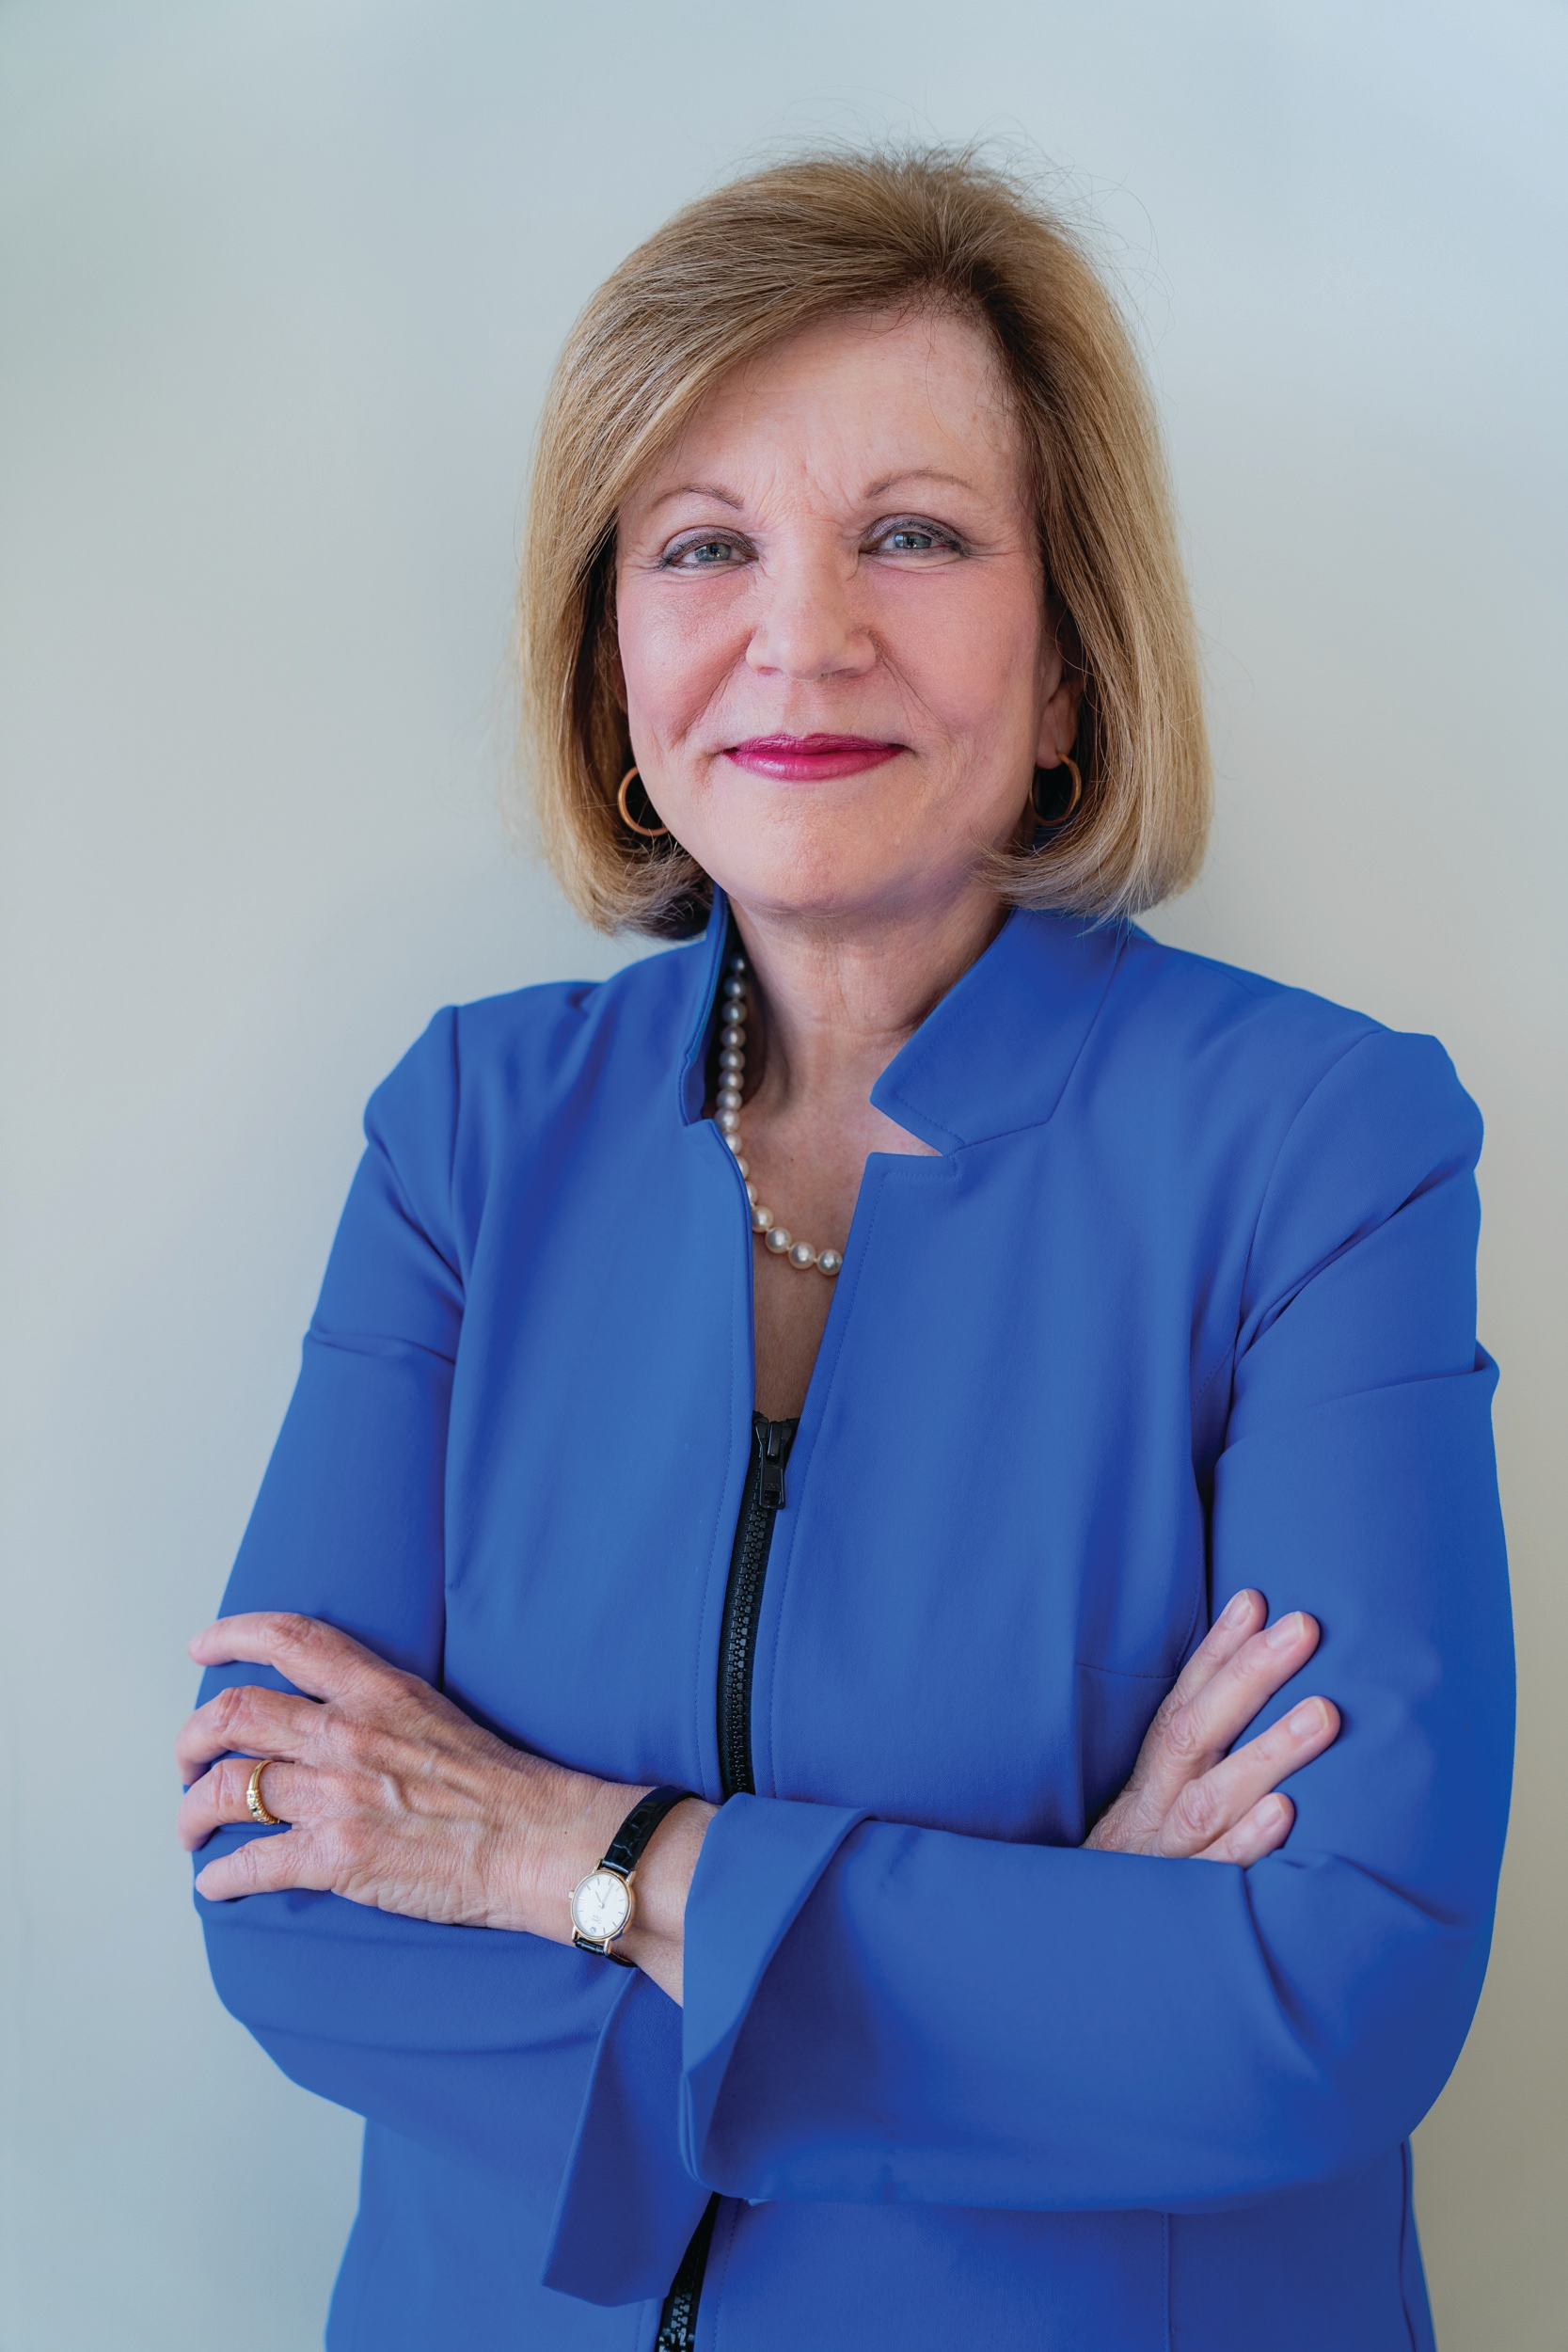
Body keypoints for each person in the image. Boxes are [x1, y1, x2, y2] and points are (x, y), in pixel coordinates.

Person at [176, 148, 1512, 2352]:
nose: (803, 635)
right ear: (613, 668)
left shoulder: (1320, 1145)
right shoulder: (466, 1131)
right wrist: (1051, 1954)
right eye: (704, 544)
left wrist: (553, 1854)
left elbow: (1327, 1990)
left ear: (1069, 662)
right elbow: (281, 1877)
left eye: (915, 533)